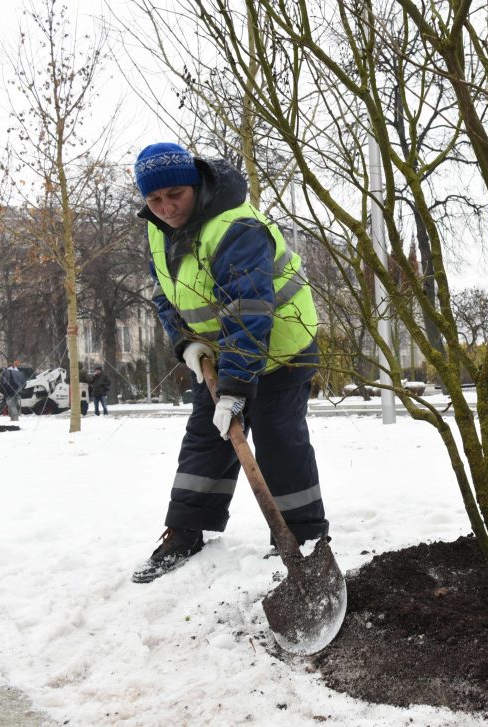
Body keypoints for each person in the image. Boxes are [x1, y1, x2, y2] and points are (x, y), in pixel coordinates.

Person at [130, 142, 326, 584]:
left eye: (174, 195)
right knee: (206, 437)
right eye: (154, 200)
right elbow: (165, 292)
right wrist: (185, 344)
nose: (165, 209)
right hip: (220, 354)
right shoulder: (158, 229)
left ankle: (304, 538)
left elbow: (248, 309)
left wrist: (235, 389)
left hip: (283, 349)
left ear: (196, 185)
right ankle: (185, 531)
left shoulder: (235, 228)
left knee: (279, 440)